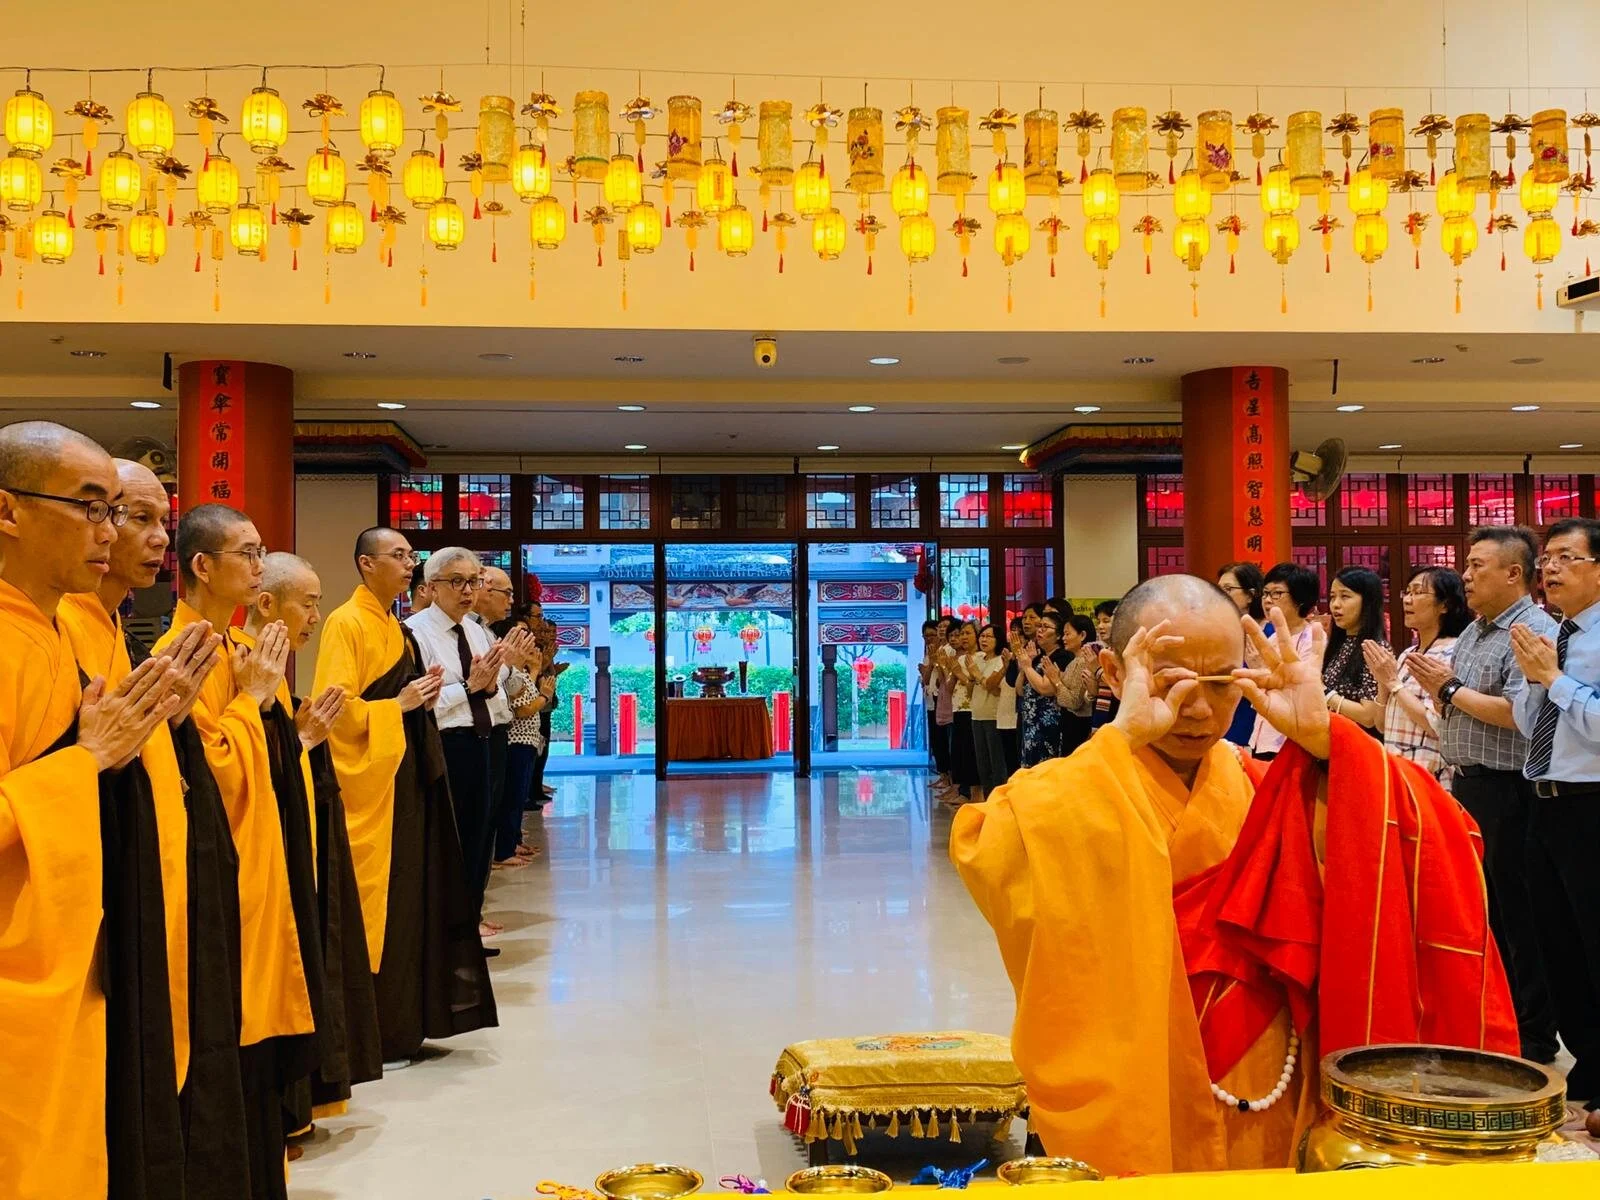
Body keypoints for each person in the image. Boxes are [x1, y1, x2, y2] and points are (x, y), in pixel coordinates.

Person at [952, 574, 1516, 1177]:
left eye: (1222, 682)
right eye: (1170, 681)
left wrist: (1329, 741)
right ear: (1116, 674)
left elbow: (1435, 835)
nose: (1198, 708)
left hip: (1269, 1091)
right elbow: (990, 849)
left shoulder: (1267, 789)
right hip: (1132, 1079)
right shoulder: (1061, 792)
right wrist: (1121, 738)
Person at [0, 422, 189, 1199]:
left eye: (122, 512)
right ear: (9, 511)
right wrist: (85, 761)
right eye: (92, 507)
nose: (110, 533)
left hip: (78, 950)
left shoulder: (47, 632)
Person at [55, 458, 253, 1200]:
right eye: (112, 513)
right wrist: (93, 759)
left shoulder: (106, 627)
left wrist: (223, 715)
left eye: (149, 520)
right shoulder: (48, 632)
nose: (134, 536)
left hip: (165, 878)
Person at [158, 503, 319, 1200]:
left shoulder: (231, 647)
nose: (260, 568)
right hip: (219, 876)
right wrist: (255, 704)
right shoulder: (180, 652)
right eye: (248, 554)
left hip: (257, 867)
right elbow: (212, 770)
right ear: (201, 565)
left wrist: (279, 715)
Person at [311, 527, 496, 1066]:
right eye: (398, 556)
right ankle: (381, 1031)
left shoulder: (392, 626)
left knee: (416, 897)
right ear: (367, 565)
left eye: (411, 556)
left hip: (409, 774)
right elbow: (336, 707)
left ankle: (408, 1023)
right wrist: (401, 704)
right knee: (385, 902)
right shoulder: (347, 623)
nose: (409, 564)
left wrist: (424, 696)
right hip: (378, 778)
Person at [1407, 526, 1560, 1066]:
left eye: (1476, 566)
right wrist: (1442, 693)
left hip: (1509, 788)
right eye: (1466, 566)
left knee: (1519, 916)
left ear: (1514, 574)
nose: (1465, 576)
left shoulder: (1533, 630)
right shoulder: (1475, 632)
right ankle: (1493, 1023)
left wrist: (1447, 690)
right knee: (1482, 911)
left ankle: (1533, 1035)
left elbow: (1522, 718)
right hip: (1467, 781)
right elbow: (1455, 705)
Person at [240, 554, 383, 1129]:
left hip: (292, 834)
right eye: (308, 602)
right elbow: (215, 767)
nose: (317, 617)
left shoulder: (265, 669)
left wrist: (299, 739)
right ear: (266, 602)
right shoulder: (231, 663)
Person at [1510, 517, 1600, 1105]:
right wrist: (1537, 681)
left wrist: (1555, 678)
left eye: (1567, 558)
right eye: (1548, 558)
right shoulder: (1555, 635)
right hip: (1542, 803)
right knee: (1555, 944)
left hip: (1592, 806)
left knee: (1595, 942)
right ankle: (1590, 1062)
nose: (1551, 569)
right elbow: (1526, 724)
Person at [404, 548, 527, 944]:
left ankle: (469, 922)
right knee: (449, 840)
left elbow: (495, 693)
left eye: (474, 581)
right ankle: (445, 931)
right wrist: (470, 687)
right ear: (431, 587)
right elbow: (423, 701)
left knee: (481, 836)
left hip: (486, 741)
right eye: (457, 582)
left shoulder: (476, 631)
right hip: (447, 744)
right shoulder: (414, 632)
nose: (468, 591)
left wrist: (493, 681)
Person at [1363, 566, 1469, 781]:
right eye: (1407, 592)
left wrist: (1393, 682)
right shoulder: (1407, 654)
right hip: (1398, 774)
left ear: (1445, 604)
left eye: (1418, 592)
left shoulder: (1455, 652)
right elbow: (1382, 725)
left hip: (1431, 779)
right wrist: (1383, 680)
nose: (1407, 600)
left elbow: (1436, 726)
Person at [491, 603, 548, 868]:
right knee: (511, 797)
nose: (528, 640)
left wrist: (536, 671)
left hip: (526, 741)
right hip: (515, 741)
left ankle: (512, 841)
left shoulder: (520, 670)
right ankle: (504, 849)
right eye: (521, 634)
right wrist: (545, 695)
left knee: (518, 795)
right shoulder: (506, 670)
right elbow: (521, 708)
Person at [1248, 563, 1318, 759]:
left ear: (1300, 600)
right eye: (1265, 593)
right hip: (1262, 737)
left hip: (1290, 741)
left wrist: (1259, 668)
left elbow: (1302, 695)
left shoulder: (1311, 638)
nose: (1268, 601)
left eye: (1277, 594)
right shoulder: (1271, 638)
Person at [1322, 567, 1384, 733]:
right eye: (1332, 597)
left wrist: (1325, 693)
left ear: (1368, 601)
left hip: (1359, 745)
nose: (1335, 605)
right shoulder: (1339, 644)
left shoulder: (1374, 648)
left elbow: (1369, 716)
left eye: (1345, 596)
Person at [1217, 562, 1266, 746]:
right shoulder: (1220, 632)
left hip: (1256, 730)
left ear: (1250, 595)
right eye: (1219, 589)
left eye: (1229, 589)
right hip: (1223, 726)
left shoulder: (1270, 634)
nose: (1221, 596)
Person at [1017, 611, 1070, 767]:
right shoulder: (1038, 657)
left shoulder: (1062, 656)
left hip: (1048, 724)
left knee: (1045, 769)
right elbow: (1020, 690)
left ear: (1059, 635)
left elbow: (1046, 688)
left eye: (1045, 627)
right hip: (1030, 722)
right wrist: (1026, 665)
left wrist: (1027, 666)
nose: (1039, 630)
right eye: (1039, 626)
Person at [967, 623, 1009, 801]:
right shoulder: (978, 659)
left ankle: (997, 801)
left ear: (998, 639)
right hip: (976, 715)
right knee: (982, 764)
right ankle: (986, 800)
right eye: (982, 636)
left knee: (996, 763)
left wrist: (977, 675)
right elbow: (971, 689)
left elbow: (994, 688)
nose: (983, 639)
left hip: (993, 716)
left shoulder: (1000, 661)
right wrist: (972, 677)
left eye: (988, 636)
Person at [1046, 614, 1097, 756]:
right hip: (1072, 724)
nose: (1063, 638)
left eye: (1067, 634)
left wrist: (1055, 679)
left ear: (1082, 635)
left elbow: (1074, 701)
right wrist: (1059, 676)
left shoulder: (1082, 662)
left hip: (1078, 726)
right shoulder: (1076, 661)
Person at [944, 621, 981, 805]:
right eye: (962, 634)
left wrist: (960, 674)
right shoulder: (958, 659)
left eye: (967, 633)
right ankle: (963, 790)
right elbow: (949, 688)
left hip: (974, 710)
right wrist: (951, 670)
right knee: (959, 752)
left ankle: (973, 794)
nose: (963, 638)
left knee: (971, 753)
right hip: (958, 709)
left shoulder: (982, 658)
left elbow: (975, 686)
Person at [997, 618, 1023, 777]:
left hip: (1019, 714)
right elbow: (1011, 681)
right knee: (1009, 760)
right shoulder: (1008, 657)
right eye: (1012, 630)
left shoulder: (1028, 655)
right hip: (1007, 713)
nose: (1015, 636)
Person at [1089, 600, 1119, 729]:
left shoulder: (1125, 650)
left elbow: (1119, 684)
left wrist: (1097, 670)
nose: (1100, 626)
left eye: (1106, 621)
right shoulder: (1106, 651)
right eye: (1098, 621)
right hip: (1104, 715)